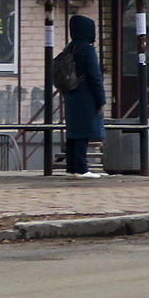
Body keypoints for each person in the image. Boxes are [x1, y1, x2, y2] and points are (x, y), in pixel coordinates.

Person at [64, 14, 106, 178]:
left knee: (73, 132)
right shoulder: (87, 49)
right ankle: (82, 168)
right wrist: (101, 100)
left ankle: (71, 167)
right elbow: (95, 77)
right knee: (84, 132)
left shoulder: (70, 47)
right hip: (86, 95)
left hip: (71, 93)